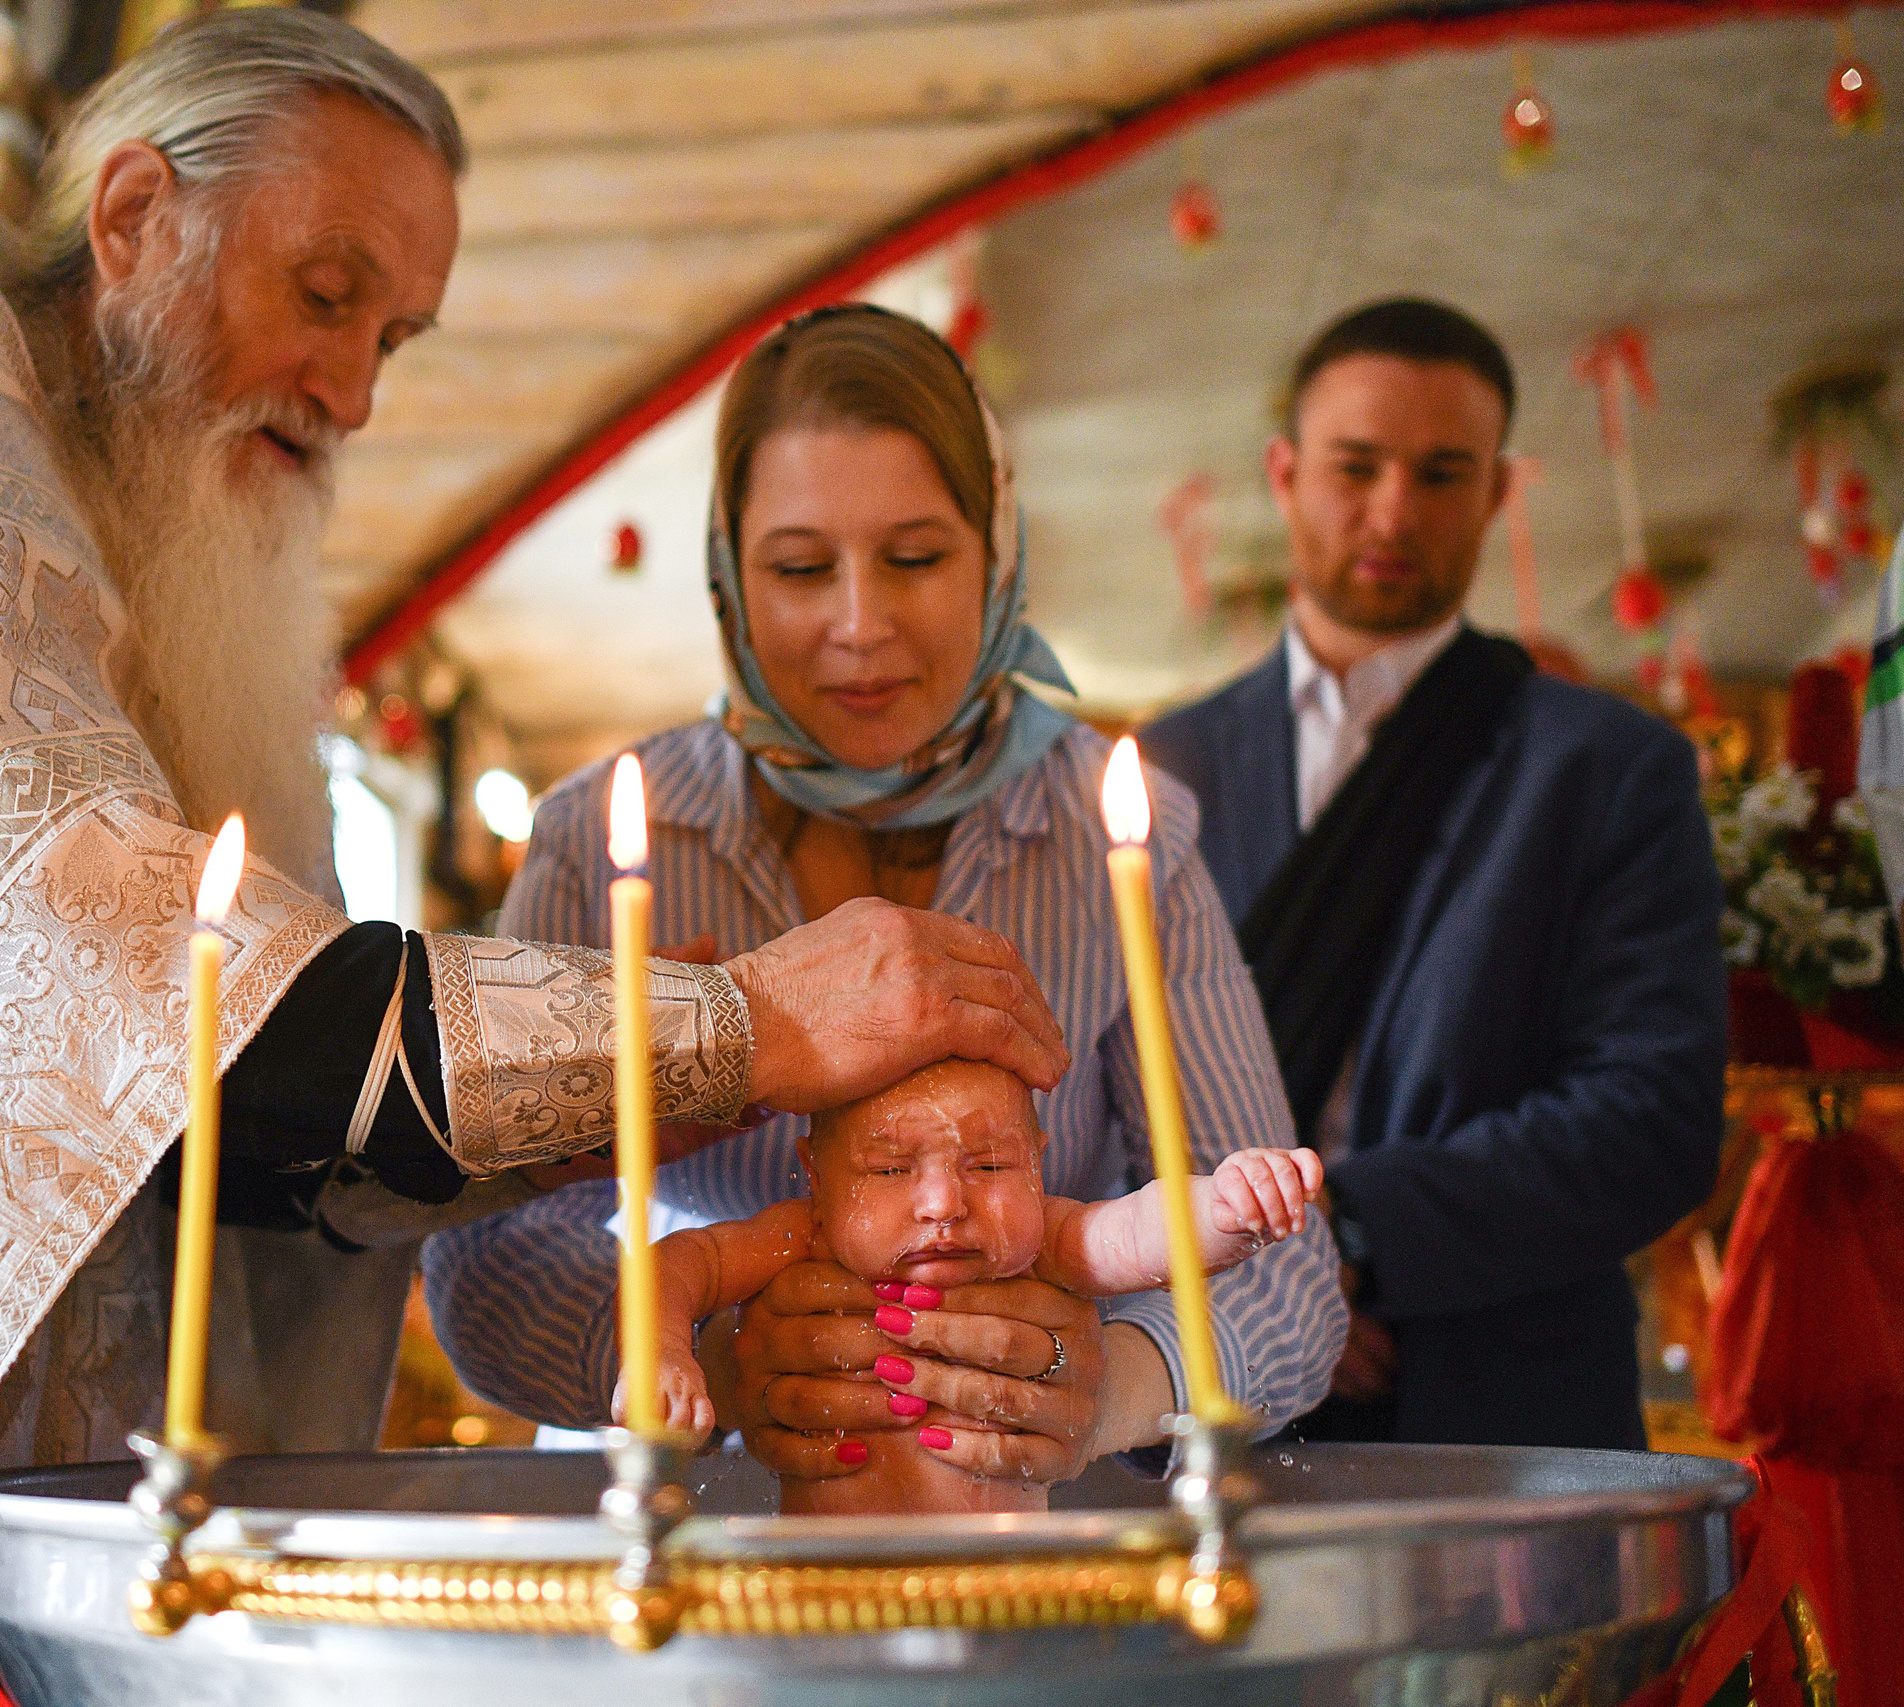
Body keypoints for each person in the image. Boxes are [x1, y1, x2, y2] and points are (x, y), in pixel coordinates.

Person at [0, 20, 1077, 1705]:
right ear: (131, 218)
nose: (350, 392)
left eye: (394, 336)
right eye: (326, 297)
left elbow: (200, 1105)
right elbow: (164, 1032)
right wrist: (731, 1028)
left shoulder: (92, 500)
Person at [425, 304, 1344, 1491]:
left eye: (915, 557)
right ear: (726, 575)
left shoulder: (1116, 836)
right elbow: (487, 1253)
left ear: (997, 549)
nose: (859, 625)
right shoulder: (612, 837)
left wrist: (1111, 1384)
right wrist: (702, 1355)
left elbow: (1285, 1269)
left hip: (1006, 1519)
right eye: (800, 568)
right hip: (678, 1515)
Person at [1138, 297, 1727, 1449]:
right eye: (1354, 466)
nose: (1393, 510)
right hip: (1193, 1381)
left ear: (1500, 490)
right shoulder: (1168, 765)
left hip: (1497, 1392)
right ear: (1285, 472)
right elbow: (1098, 1088)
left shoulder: (1607, 770)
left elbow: (1648, 1115)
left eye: (1442, 473)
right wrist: (1243, 1281)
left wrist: (1349, 1241)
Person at [632, 1057, 1322, 1516]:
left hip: (1003, 1587)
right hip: (828, 1589)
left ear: (1037, 1163)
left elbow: (1141, 1230)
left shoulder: (1044, 1242)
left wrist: (1228, 1210)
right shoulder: (805, 1236)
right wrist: (665, 1350)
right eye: (891, 1170)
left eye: (990, 1165)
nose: (943, 1202)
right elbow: (680, 1262)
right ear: (815, 1174)